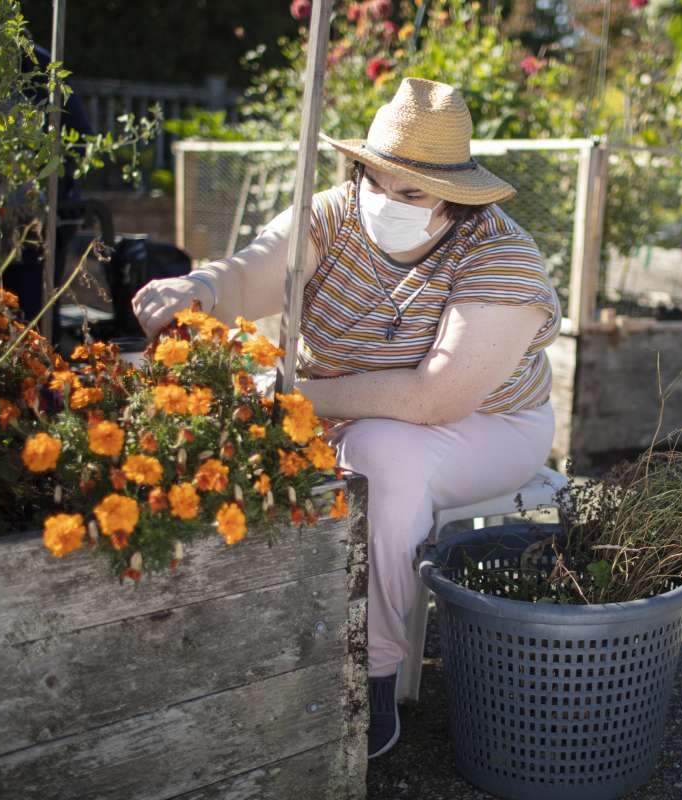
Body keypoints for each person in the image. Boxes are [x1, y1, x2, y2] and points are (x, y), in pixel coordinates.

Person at [132, 78, 560, 759]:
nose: (383, 201)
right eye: (373, 178)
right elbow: (255, 272)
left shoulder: (500, 256)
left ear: (454, 196)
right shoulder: (333, 215)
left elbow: (434, 400)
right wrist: (202, 287)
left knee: (383, 455)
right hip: (334, 409)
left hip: (490, 426)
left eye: (410, 191)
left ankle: (374, 671)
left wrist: (288, 394)